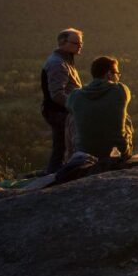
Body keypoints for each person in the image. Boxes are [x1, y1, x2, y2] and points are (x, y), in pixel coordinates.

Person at [66, 56, 133, 159]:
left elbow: (69, 106)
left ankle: (71, 157)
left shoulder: (75, 96)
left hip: (84, 154)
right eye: (117, 74)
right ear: (109, 75)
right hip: (117, 153)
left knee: (72, 117)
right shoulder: (121, 90)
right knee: (125, 117)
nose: (118, 77)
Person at [41, 28, 84, 173]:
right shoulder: (57, 64)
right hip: (60, 112)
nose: (80, 46)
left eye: (81, 43)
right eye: (76, 43)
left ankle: (55, 175)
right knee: (62, 147)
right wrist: (75, 107)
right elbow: (57, 94)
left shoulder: (65, 61)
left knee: (62, 147)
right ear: (62, 43)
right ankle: (55, 177)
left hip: (62, 111)